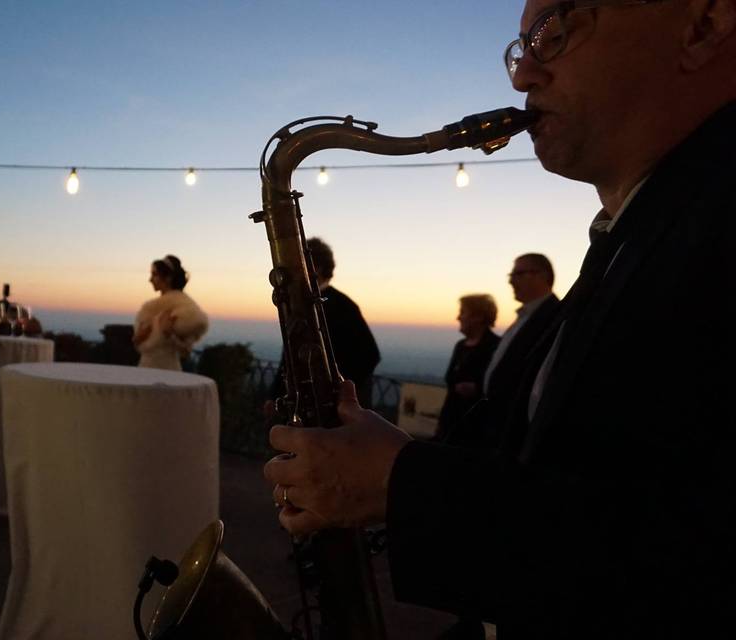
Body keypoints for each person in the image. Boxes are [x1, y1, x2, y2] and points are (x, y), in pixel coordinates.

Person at [264, 1, 736, 637]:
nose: (522, 77)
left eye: (556, 32)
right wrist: (383, 461)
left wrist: (399, 484)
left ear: (703, 25)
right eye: (519, 50)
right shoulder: (644, 230)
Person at [445, 254, 560, 450]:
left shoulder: (552, 319)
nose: (510, 280)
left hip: (510, 433)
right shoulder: (527, 317)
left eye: (518, 273)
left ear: (541, 276)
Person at [272, 238, 381, 409]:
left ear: (318, 267)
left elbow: (369, 356)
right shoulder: (304, 304)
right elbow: (290, 356)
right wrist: (275, 395)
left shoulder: (343, 306)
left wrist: (335, 392)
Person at [434, 294, 499, 442]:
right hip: (451, 423)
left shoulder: (495, 347)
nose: (458, 317)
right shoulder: (460, 346)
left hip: (476, 430)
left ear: (479, 317)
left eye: (463, 312)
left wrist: (478, 388)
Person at [133, 255, 207, 371]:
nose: (150, 279)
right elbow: (137, 342)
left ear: (168, 278)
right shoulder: (152, 308)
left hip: (168, 370)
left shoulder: (186, 309)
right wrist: (140, 336)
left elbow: (186, 352)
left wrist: (169, 334)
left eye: (155, 274)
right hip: (144, 367)